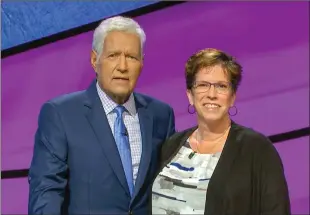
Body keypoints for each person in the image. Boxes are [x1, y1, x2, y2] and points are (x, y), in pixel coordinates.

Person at [28, 16, 175, 215]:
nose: (122, 66)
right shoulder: (60, 114)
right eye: (113, 55)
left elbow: (168, 191)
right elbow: (46, 192)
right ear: (94, 60)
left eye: (131, 57)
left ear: (142, 63)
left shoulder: (161, 115)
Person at [151, 48, 291, 215]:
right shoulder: (171, 145)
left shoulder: (256, 149)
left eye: (221, 86)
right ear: (190, 95)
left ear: (232, 97)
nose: (212, 94)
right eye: (203, 85)